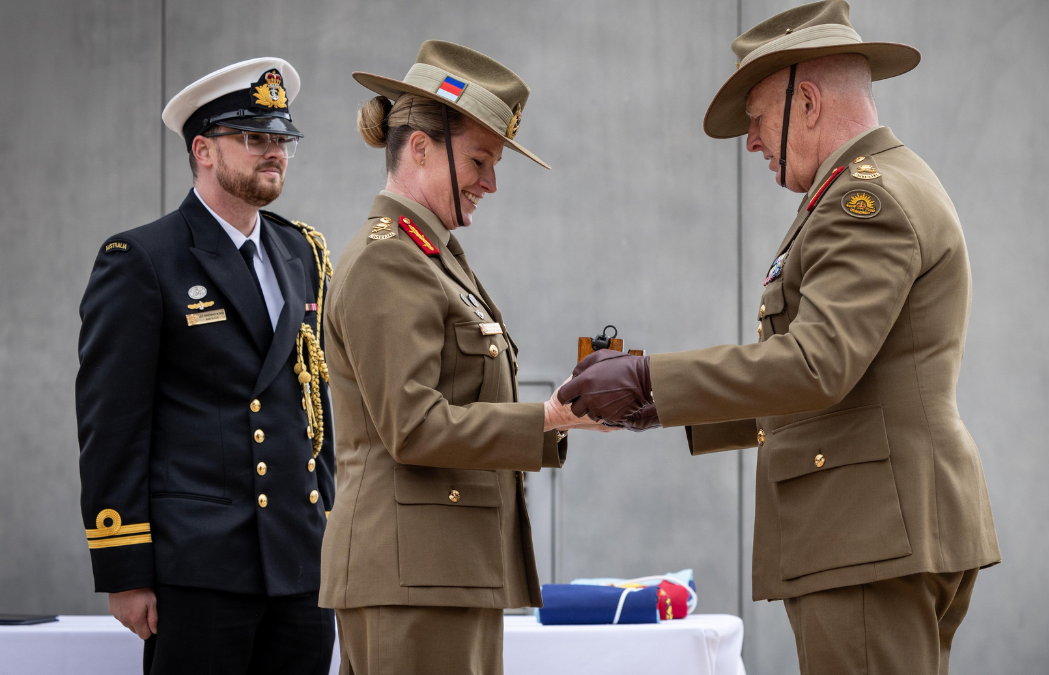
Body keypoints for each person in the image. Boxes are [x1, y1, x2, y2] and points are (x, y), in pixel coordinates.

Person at [559, 2, 1002, 673]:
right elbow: (842, 378)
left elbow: (817, 365)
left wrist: (651, 379)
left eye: (758, 118)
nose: (752, 141)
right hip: (880, 527)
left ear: (811, 102)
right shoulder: (865, 191)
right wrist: (657, 404)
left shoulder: (866, 201)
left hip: (868, 531)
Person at [319, 41, 599, 675]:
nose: (491, 182)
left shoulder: (429, 254)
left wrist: (560, 416)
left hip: (438, 572)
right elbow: (413, 426)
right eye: (479, 160)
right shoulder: (391, 257)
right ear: (420, 147)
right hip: (411, 575)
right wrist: (547, 418)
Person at [76, 58, 336, 675]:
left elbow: (312, 400)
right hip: (200, 566)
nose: (273, 153)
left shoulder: (301, 251)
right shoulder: (143, 258)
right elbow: (113, 425)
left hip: (300, 563)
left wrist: (329, 519)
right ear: (204, 150)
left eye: (282, 141)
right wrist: (124, 567)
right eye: (254, 138)